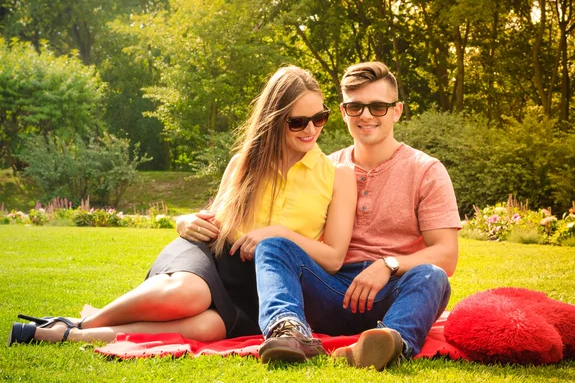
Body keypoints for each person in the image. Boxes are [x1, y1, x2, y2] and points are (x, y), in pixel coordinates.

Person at [8, 66, 356, 346]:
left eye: (320, 118)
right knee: (187, 294)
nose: (311, 129)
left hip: (262, 284)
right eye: (298, 121)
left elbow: (334, 258)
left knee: (207, 329)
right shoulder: (243, 164)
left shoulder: (338, 176)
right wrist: (183, 220)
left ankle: (72, 334)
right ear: (274, 119)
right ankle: (83, 321)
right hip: (213, 256)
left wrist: (279, 234)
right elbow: (214, 217)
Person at [254, 61, 462, 369]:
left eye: (378, 107)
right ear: (342, 111)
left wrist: (388, 265)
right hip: (330, 288)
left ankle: (385, 342)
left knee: (432, 276)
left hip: (392, 292)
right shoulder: (325, 167)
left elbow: (447, 254)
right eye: (355, 107)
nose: (365, 116)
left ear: (397, 110)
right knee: (273, 245)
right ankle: (289, 330)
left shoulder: (426, 170)